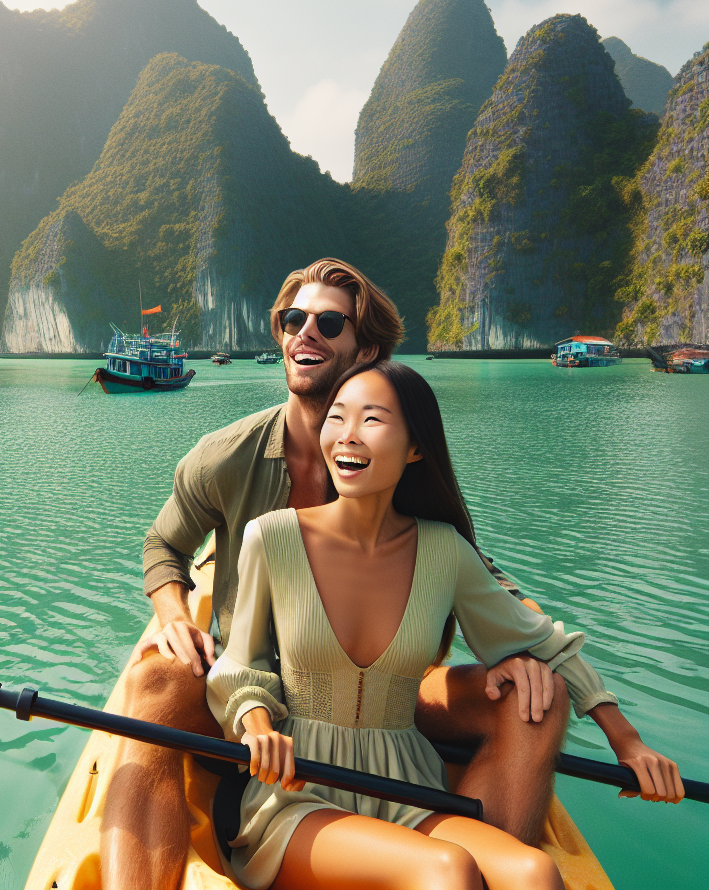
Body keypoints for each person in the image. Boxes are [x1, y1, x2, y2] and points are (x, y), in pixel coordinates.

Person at [101, 258, 682, 890]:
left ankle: (478, 857)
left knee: (537, 696)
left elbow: (475, 569)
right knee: (155, 678)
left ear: (366, 350)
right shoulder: (229, 460)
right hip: (254, 694)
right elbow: (164, 544)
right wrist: (174, 615)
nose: (305, 334)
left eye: (329, 323)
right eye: (293, 320)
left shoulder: (399, 481)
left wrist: (532, 656)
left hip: (384, 699)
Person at [207, 360, 683, 890]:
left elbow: (545, 644)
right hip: (300, 794)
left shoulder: (444, 551)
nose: (347, 435)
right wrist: (256, 724)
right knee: (445, 870)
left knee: (533, 872)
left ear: (416, 447)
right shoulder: (271, 536)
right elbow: (240, 662)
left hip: (410, 788)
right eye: (337, 418)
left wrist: (629, 741)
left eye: (372, 420)